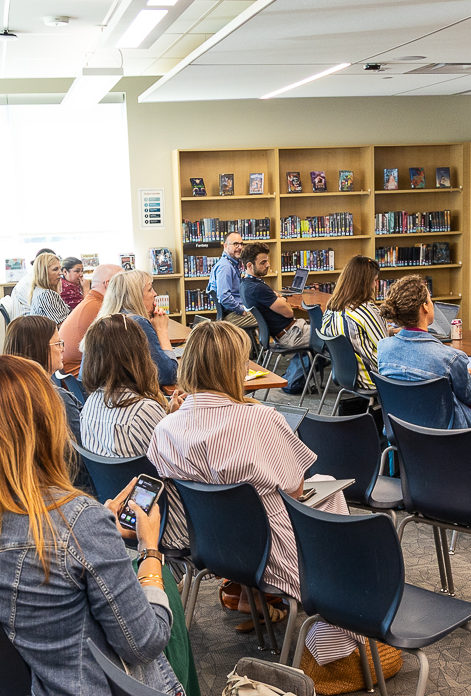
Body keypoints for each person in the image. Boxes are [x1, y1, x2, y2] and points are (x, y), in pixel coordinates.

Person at [0, 355, 196, 696]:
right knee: (164, 599)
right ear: (45, 423)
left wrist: (101, 524)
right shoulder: (78, 522)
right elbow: (143, 642)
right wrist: (149, 552)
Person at [149, 321, 355, 655]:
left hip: (213, 548)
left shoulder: (165, 427)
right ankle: (338, 618)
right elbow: (294, 489)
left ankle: (249, 593)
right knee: (328, 491)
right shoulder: (260, 419)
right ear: (236, 368)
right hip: (270, 549)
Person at [376, 275, 471, 488]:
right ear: (425, 307)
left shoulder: (384, 348)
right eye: (430, 300)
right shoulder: (449, 357)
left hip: (402, 429)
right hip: (445, 432)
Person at [78, 315, 188, 550]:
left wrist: (167, 419)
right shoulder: (143, 410)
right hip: (164, 526)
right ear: (138, 355)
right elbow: (182, 467)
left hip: (118, 516)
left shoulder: (90, 406)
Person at [237, 242, 312, 392]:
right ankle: (293, 382)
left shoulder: (247, 284)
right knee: (333, 336)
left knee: (325, 335)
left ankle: (295, 378)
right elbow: (289, 312)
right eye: (263, 262)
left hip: (285, 333)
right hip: (291, 335)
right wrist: (282, 300)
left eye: (267, 260)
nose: (268, 265)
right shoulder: (258, 288)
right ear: (250, 265)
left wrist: (277, 298)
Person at [4, 314, 83, 442]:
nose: (62, 349)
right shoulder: (56, 399)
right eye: (58, 344)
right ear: (38, 350)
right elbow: (83, 447)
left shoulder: (4, 393)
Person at [319, 255, 389, 389]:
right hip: (371, 378)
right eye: (374, 281)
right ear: (364, 283)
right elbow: (385, 349)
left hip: (346, 376)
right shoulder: (366, 310)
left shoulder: (331, 308)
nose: (375, 285)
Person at [98, 269, 178, 386]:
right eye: (150, 289)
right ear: (135, 296)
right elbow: (168, 374)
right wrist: (162, 331)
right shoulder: (138, 323)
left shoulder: (104, 320)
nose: (155, 294)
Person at [61, 262, 120, 373]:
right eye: (123, 282)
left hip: (75, 378)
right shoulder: (98, 308)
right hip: (83, 381)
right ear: (108, 284)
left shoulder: (91, 303)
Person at [210, 231, 257, 329]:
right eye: (235, 244)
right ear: (225, 246)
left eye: (241, 244)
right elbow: (224, 297)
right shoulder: (225, 267)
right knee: (268, 315)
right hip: (233, 315)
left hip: (235, 311)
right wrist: (241, 310)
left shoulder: (232, 264)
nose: (240, 247)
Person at [7, 247, 58, 317]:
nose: (60, 272)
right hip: (27, 323)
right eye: (55, 269)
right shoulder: (31, 283)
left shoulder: (32, 279)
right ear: (44, 268)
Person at [26, 251, 72, 323]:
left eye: (60, 269)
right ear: (43, 273)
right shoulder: (47, 294)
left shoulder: (37, 290)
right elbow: (62, 325)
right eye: (55, 269)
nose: (60, 273)